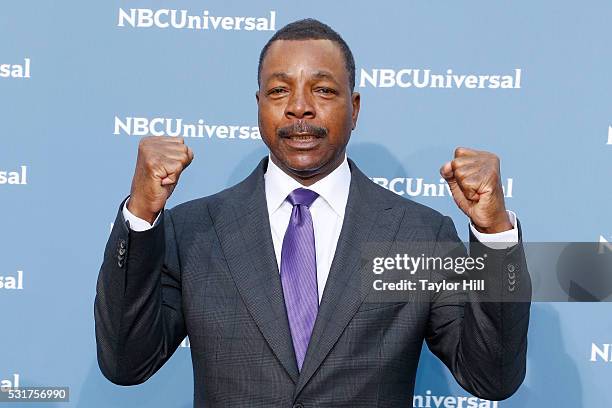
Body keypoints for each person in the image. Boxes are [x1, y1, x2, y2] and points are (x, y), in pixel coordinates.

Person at [95, 18, 531, 407]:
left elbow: (489, 377)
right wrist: (140, 215)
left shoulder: (417, 234)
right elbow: (126, 364)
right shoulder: (192, 231)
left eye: (322, 90)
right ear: (259, 105)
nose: (299, 107)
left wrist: (493, 234)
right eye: (279, 90)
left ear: (354, 108)